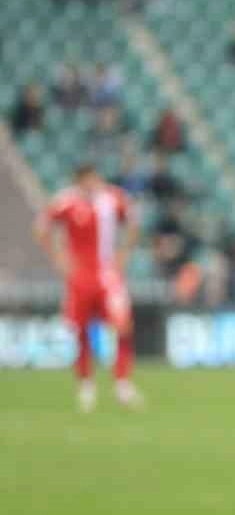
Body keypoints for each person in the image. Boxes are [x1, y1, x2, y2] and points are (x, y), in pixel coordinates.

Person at [32, 162, 142, 412]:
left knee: (123, 324)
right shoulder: (66, 201)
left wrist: (124, 253)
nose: (92, 184)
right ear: (79, 181)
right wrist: (58, 258)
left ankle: (122, 383)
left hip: (108, 275)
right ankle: (86, 384)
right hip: (80, 277)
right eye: (87, 180)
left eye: (95, 179)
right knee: (80, 329)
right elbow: (41, 227)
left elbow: (134, 221)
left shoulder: (113, 198)